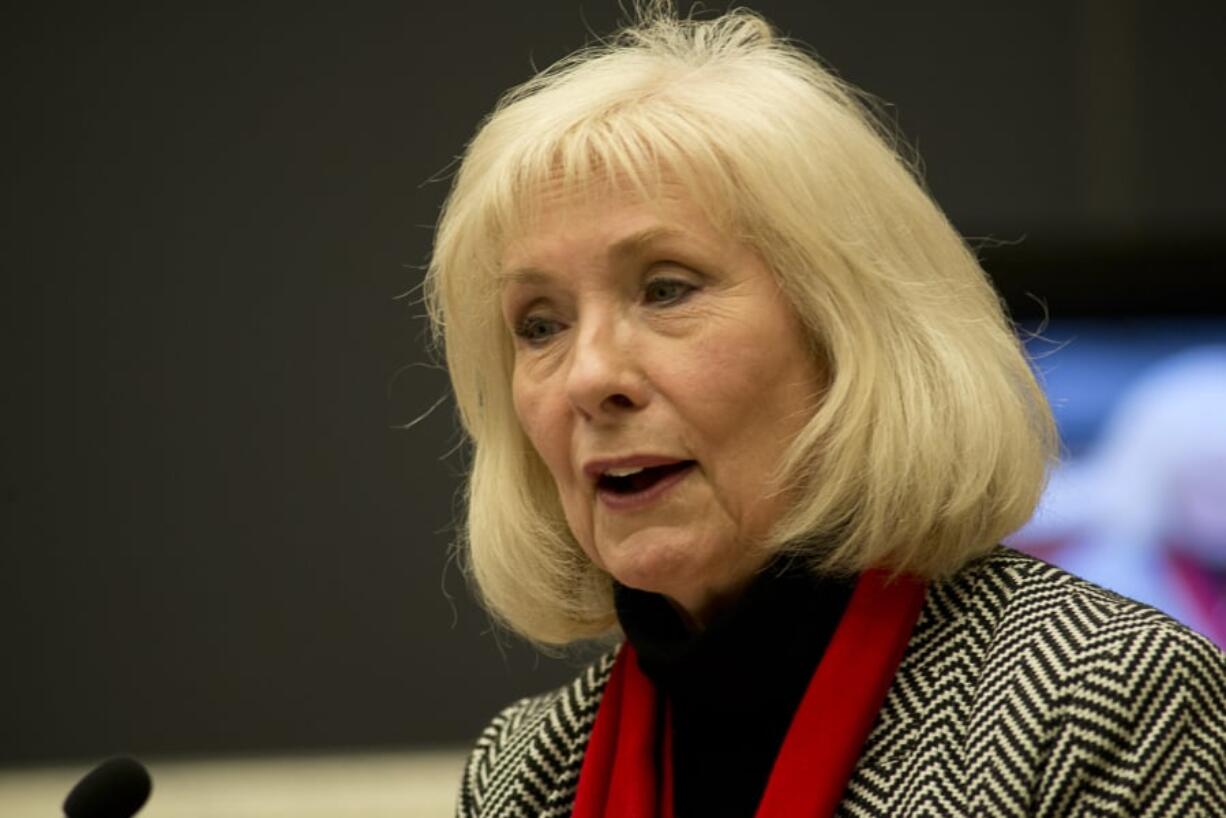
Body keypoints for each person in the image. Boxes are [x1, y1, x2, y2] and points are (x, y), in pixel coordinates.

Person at [425, 3, 1226, 816]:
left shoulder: (1101, 694)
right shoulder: (523, 774)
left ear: (842, 334)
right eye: (541, 325)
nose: (588, 377)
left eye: (666, 289)